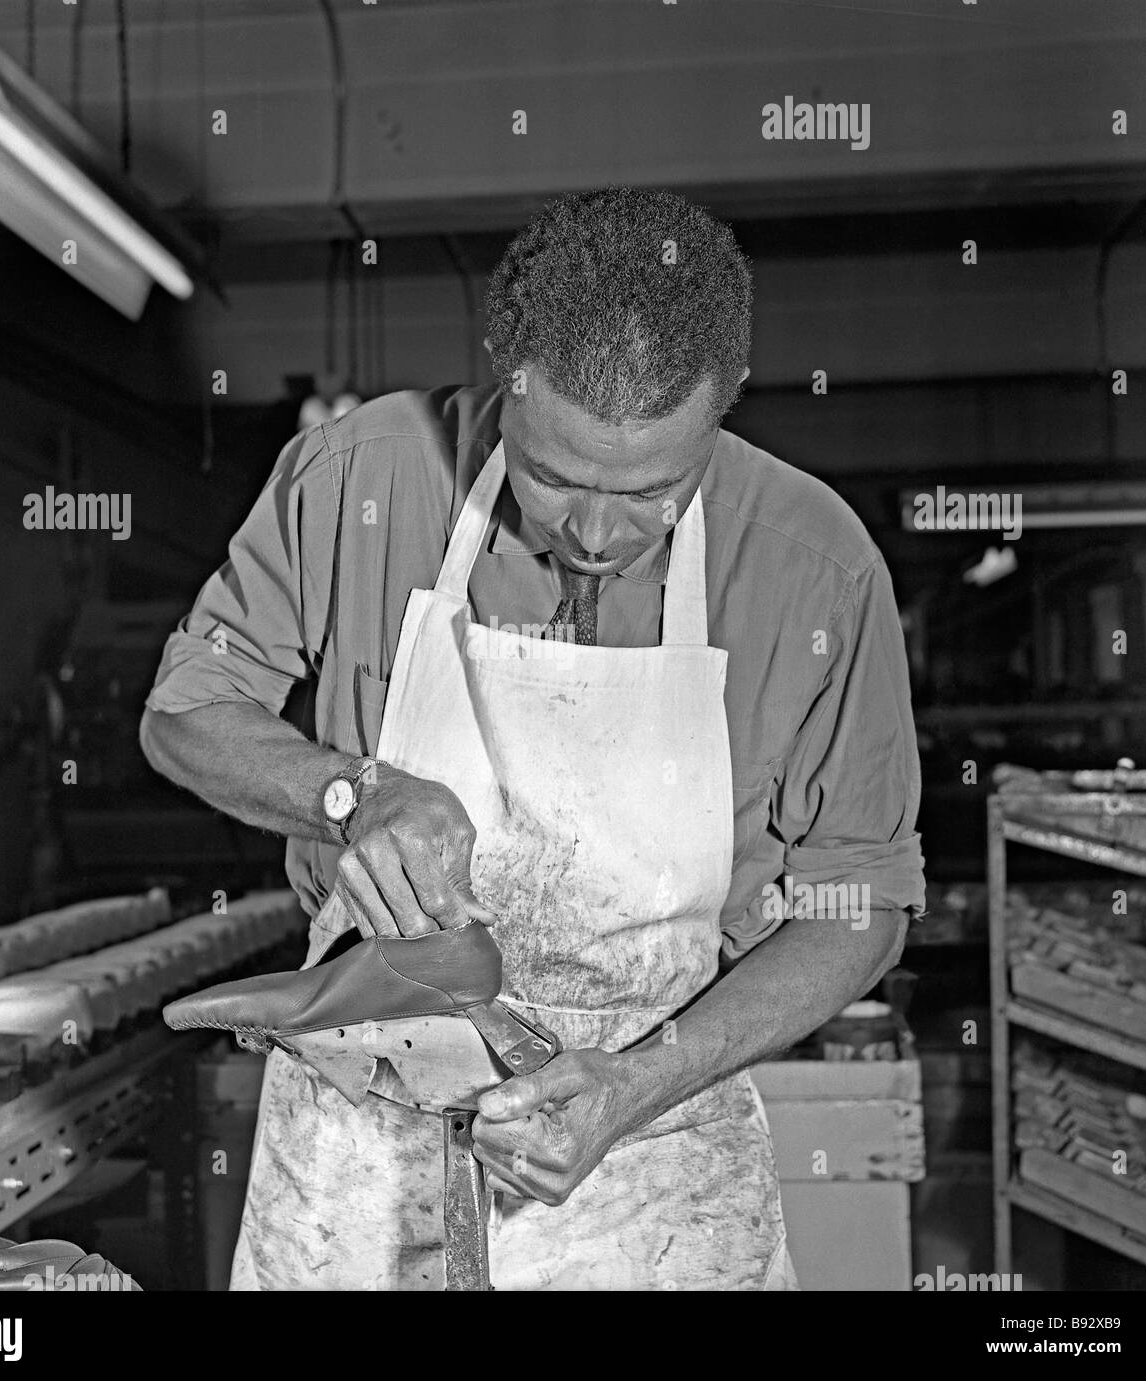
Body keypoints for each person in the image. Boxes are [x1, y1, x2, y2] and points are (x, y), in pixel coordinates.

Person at [140, 186, 925, 1290]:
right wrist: (347, 792)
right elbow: (185, 714)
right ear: (500, 373)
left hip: (655, 1136)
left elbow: (866, 900)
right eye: (553, 478)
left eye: (655, 490)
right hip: (363, 1145)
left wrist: (642, 1081)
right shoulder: (363, 475)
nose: (598, 534)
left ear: (726, 408)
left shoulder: (817, 566)